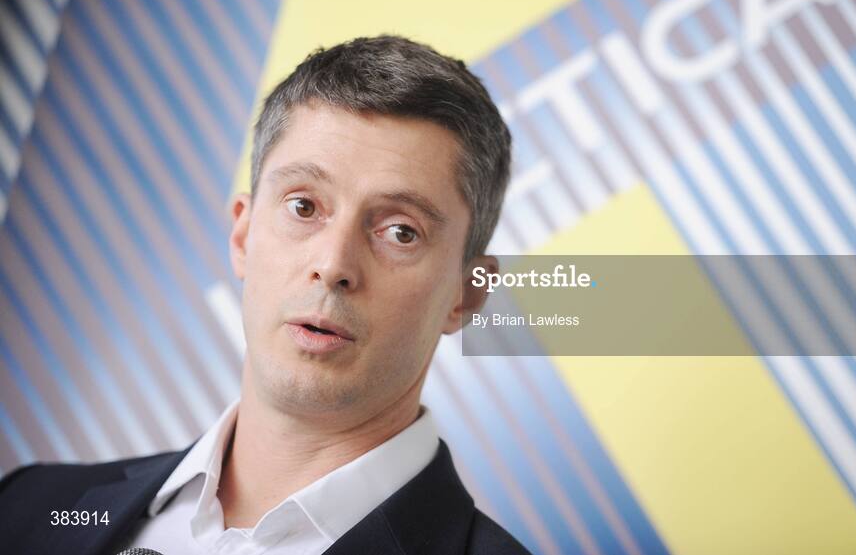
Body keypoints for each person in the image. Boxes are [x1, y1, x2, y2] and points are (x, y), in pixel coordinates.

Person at [0, 35, 530, 555]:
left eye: (401, 231)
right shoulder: (27, 507)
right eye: (304, 207)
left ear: (466, 295)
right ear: (242, 235)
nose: (333, 265)